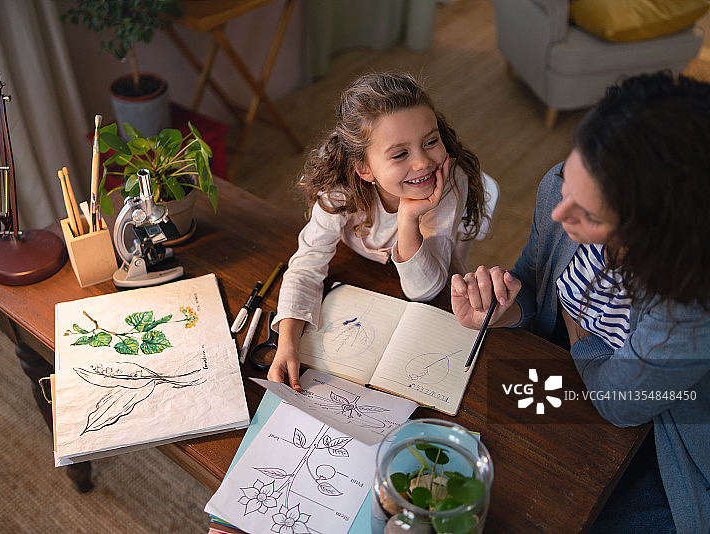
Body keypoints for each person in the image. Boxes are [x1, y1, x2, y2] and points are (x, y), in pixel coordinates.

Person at [451, 71, 710, 533]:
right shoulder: (561, 188)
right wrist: (509, 309)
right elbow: (532, 279)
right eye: (570, 176)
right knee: (476, 461)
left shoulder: (690, 308)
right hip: (569, 379)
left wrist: (580, 334)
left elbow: (620, 403)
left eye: (587, 213)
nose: (558, 211)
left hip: (664, 437)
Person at [267, 72, 487, 391]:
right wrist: (287, 343)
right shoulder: (340, 187)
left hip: (425, 293)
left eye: (431, 141)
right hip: (359, 280)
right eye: (400, 154)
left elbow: (424, 290)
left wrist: (409, 218)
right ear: (364, 169)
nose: (423, 162)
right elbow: (306, 266)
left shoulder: (448, 182)